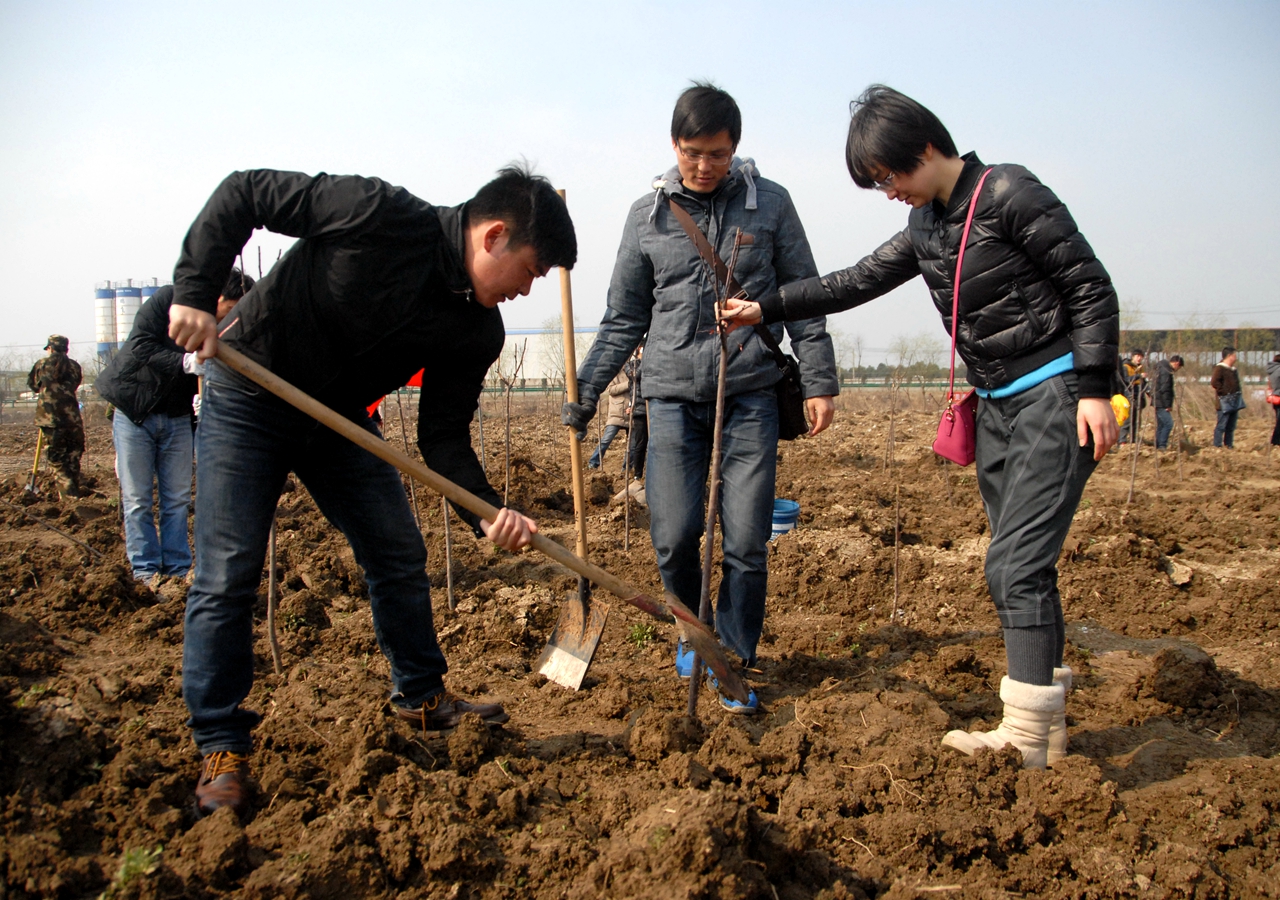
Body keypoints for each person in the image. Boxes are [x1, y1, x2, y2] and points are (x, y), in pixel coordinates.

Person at [724, 85, 1119, 767]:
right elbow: (853, 281)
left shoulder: (1010, 194)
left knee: (1014, 564)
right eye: (876, 184)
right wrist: (765, 306)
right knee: (1025, 565)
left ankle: (1024, 736)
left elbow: (1090, 287)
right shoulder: (926, 226)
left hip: (1054, 396)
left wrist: (1094, 391)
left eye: (891, 175)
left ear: (927, 147)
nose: (889, 192)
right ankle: (1045, 726)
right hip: (995, 406)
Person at [167, 165, 576, 819]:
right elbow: (244, 192)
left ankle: (420, 696)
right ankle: (221, 747)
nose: (527, 291)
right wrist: (194, 290)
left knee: (395, 549)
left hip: (337, 418)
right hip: (252, 390)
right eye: (530, 272)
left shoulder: (477, 331)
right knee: (229, 570)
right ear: (495, 235)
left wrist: (488, 510)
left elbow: (444, 440)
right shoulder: (376, 213)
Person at [564, 83, 839, 714]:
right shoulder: (647, 216)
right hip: (669, 395)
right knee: (675, 533)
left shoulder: (770, 204)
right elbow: (623, 316)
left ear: (735, 148)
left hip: (750, 394)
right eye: (692, 152)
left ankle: (733, 655)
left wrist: (819, 377)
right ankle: (694, 628)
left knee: (744, 538)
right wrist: (586, 387)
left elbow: (805, 294)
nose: (704, 165)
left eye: (716, 153)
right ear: (674, 146)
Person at [96, 271, 253, 583]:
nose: (236, 316)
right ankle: (145, 571)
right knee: (138, 499)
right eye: (233, 308)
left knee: (178, 498)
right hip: (136, 411)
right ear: (220, 299)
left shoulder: (229, 330)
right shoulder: (169, 301)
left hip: (178, 417)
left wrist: (206, 406)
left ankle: (178, 568)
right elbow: (140, 345)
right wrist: (184, 362)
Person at [27, 335, 85, 498]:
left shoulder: (41, 365)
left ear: (50, 348)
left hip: (50, 421)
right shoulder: (74, 366)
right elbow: (75, 384)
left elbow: (33, 385)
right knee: (73, 458)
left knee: (58, 461)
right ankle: (74, 493)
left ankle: (69, 497)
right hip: (73, 420)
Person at [587, 366, 632, 469]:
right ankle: (593, 463)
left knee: (632, 445)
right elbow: (611, 390)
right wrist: (628, 384)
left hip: (631, 413)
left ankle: (627, 468)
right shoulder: (614, 372)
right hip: (617, 413)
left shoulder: (635, 371)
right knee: (606, 440)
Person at [1210, 347, 1242, 449]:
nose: (1236, 358)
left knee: (1231, 426)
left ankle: (1229, 445)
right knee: (1222, 425)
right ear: (1229, 356)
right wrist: (1224, 393)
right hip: (1224, 402)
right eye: (1234, 356)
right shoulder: (1219, 368)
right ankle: (1217, 445)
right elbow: (1215, 382)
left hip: (1234, 401)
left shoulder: (1233, 370)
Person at [1151, 355, 1183, 451]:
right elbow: (1164, 389)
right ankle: (1162, 445)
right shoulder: (1166, 371)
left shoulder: (1161, 368)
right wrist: (1167, 405)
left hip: (1158, 401)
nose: (1178, 369)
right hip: (1161, 403)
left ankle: (1158, 445)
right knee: (1168, 424)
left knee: (1161, 424)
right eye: (1179, 367)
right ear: (1176, 364)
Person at [1118, 350, 1147, 445]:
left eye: (1141, 356)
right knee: (1127, 419)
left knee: (1135, 420)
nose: (1139, 358)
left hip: (1138, 396)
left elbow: (1143, 383)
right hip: (1129, 395)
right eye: (1137, 356)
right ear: (1133, 357)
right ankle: (1122, 441)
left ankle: (1133, 440)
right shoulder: (1126, 366)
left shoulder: (1140, 368)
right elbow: (1125, 380)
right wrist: (1138, 376)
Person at [1267, 353, 1280, 448]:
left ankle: (1275, 441)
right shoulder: (1279, 370)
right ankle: (1275, 441)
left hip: (1275, 397)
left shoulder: (1272, 370)